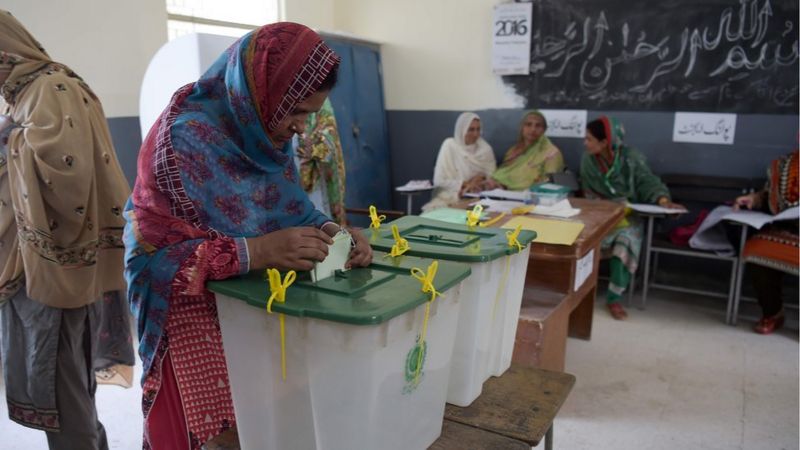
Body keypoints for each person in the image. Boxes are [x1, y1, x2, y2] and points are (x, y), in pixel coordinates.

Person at [124, 23, 373, 449]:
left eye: (309, 115)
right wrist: (256, 251)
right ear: (261, 89)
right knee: (206, 434)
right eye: (295, 111)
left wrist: (331, 230)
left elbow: (287, 202)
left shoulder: (263, 133)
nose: (299, 127)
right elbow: (156, 254)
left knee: (261, 424)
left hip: (247, 307)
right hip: (184, 312)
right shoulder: (186, 135)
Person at [0, 10, 133, 450]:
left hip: (53, 265)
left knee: (61, 390)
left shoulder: (48, 88)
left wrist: (7, 144)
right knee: (66, 383)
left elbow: (66, 175)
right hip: (41, 266)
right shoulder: (28, 92)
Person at [579, 116, 683, 320]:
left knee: (625, 241)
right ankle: (579, 292)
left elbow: (647, 182)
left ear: (604, 142)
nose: (585, 143)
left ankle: (613, 298)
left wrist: (663, 200)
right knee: (580, 237)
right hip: (598, 214)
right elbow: (589, 193)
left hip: (628, 216)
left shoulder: (632, 158)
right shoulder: (588, 160)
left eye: (589, 139)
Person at [734, 150, 799, 334]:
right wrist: (753, 199)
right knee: (757, 249)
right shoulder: (782, 165)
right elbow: (767, 194)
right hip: (784, 229)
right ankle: (773, 312)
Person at [421, 112, 496, 211]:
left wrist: (480, 178)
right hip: (448, 197)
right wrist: (465, 184)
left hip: (476, 199)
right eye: (471, 130)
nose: (476, 134)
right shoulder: (450, 145)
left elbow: (492, 175)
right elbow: (439, 180)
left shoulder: (485, 149)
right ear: (462, 130)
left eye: (478, 129)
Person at [296, 97, 347, 224]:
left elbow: (329, 138)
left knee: (320, 225)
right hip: (287, 177)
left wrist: (314, 148)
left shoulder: (321, 102)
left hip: (316, 179)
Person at [486, 110, 564, 191]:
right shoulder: (513, 151)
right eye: (528, 124)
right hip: (499, 194)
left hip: (532, 198)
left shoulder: (552, 153)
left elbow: (549, 184)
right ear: (522, 128)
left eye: (538, 126)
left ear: (544, 129)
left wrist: (507, 186)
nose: (533, 129)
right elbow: (503, 173)